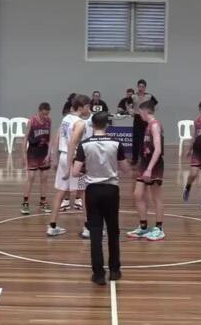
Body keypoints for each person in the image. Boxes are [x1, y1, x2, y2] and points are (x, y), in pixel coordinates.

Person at [72, 111, 130, 285]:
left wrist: (87, 169)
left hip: (93, 191)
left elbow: (75, 172)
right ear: (107, 125)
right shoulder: (116, 143)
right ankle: (114, 270)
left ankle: (98, 274)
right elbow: (126, 169)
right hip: (111, 189)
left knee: (95, 233)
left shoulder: (84, 145)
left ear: (92, 125)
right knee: (113, 230)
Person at [47, 94, 91, 236]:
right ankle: (87, 228)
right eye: (87, 106)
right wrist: (69, 165)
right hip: (74, 158)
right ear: (81, 107)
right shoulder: (80, 123)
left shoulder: (66, 118)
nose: (89, 109)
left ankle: (52, 226)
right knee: (84, 193)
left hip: (64, 156)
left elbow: (57, 137)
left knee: (60, 192)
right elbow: (72, 142)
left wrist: (55, 158)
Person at [127, 101, 165, 241]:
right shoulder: (148, 125)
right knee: (137, 194)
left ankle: (159, 228)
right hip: (144, 163)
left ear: (145, 111)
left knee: (156, 197)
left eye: (140, 112)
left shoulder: (155, 125)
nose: (139, 115)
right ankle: (143, 227)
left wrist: (149, 169)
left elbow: (158, 149)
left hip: (153, 165)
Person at [21, 102, 52, 215]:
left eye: (47, 114)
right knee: (31, 177)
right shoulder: (32, 121)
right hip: (33, 152)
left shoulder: (49, 120)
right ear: (39, 111)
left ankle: (43, 201)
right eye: (43, 114)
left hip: (44, 152)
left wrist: (49, 154)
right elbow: (25, 139)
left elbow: (49, 139)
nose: (45, 116)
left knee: (44, 177)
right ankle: (25, 202)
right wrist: (23, 155)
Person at [131, 80, 158, 165]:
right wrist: (131, 111)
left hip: (145, 119)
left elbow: (156, 104)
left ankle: (144, 157)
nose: (141, 88)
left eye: (142, 87)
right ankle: (134, 158)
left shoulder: (149, 96)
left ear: (145, 87)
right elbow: (127, 104)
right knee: (136, 139)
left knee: (145, 139)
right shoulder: (133, 96)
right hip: (137, 118)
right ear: (137, 87)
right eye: (139, 86)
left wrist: (150, 112)